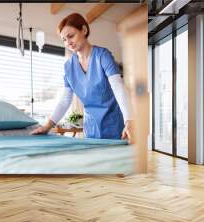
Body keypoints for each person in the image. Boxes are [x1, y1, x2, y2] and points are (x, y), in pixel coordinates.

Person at [30, 13, 133, 142]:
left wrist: (129, 120)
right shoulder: (68, 67)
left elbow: (118, 87)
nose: (68, 42)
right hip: (91, 128)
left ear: (84, 30)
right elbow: (65, 100)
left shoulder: (103, 56)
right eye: (64, 40)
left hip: (114, 126)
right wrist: (48, 126)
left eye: (71, 36)